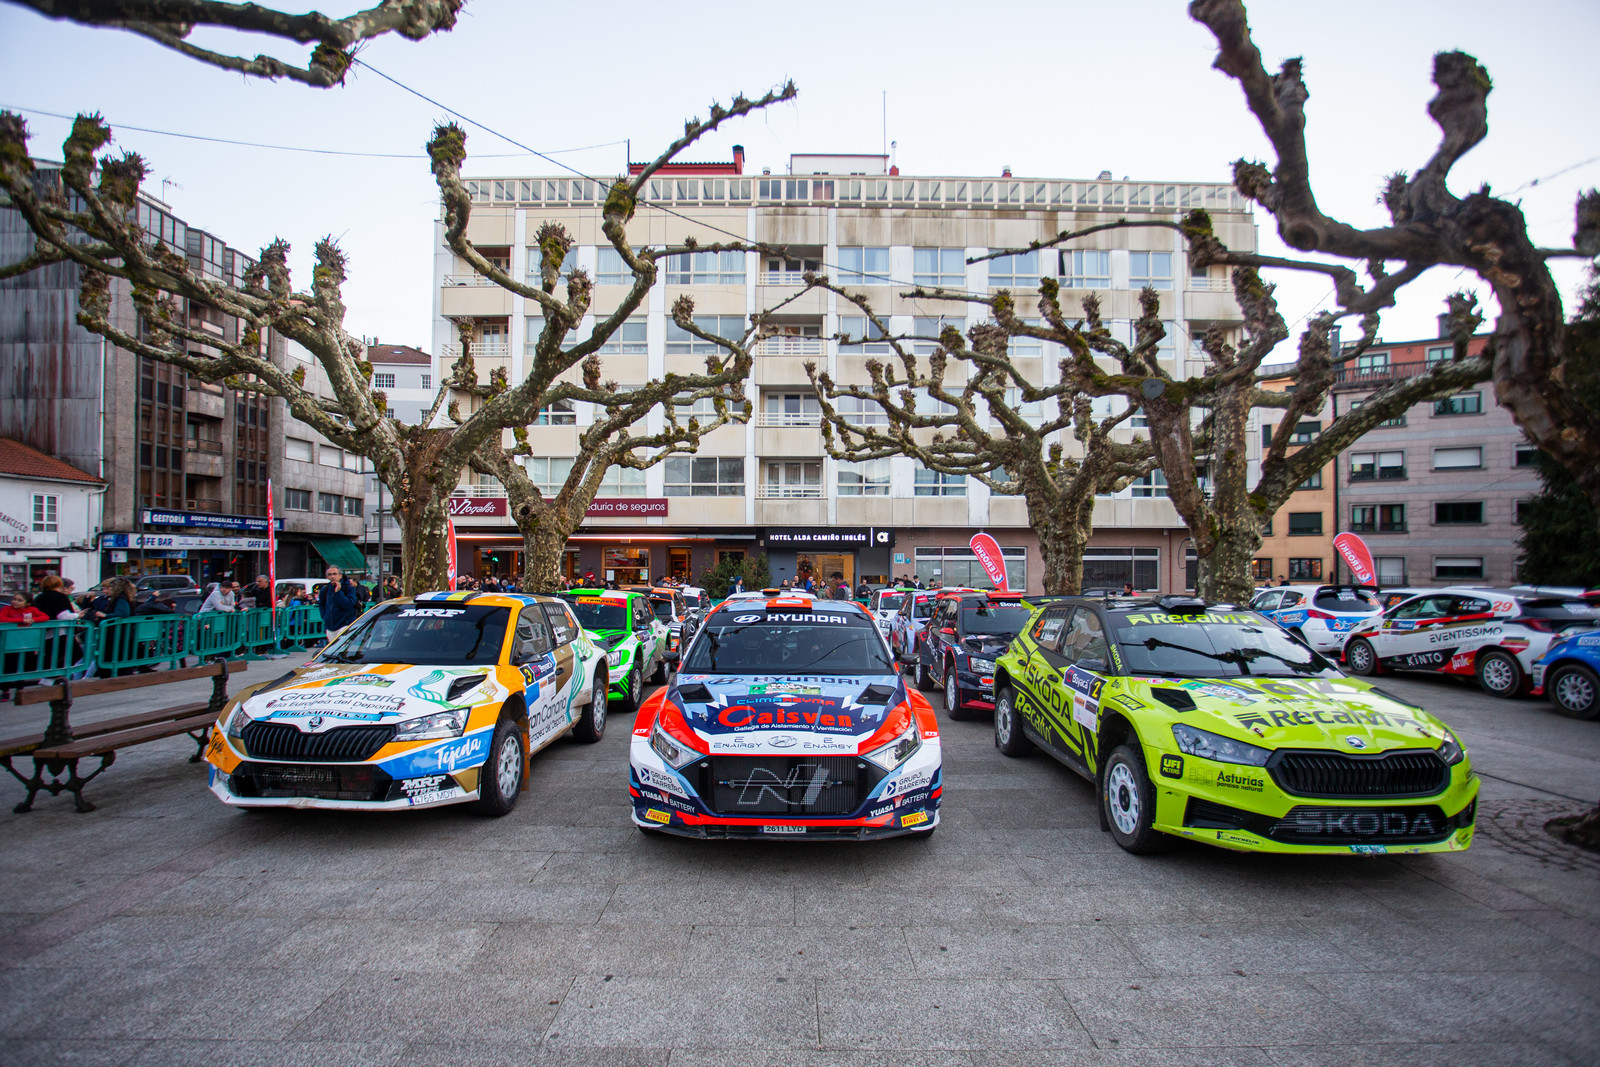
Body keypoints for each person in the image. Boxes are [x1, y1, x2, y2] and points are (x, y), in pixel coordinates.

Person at [318, 567, 360, 639]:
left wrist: (338, 592)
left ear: (340, 575)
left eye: (334, 574)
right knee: (333, 646)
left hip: (345, 624)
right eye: (330, 574)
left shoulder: (349, 588)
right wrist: (324, 616)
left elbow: (348, 605)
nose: (332, 576)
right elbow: (321, 604)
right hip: (330, 626)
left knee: (343, 645)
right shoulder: (325, 590)